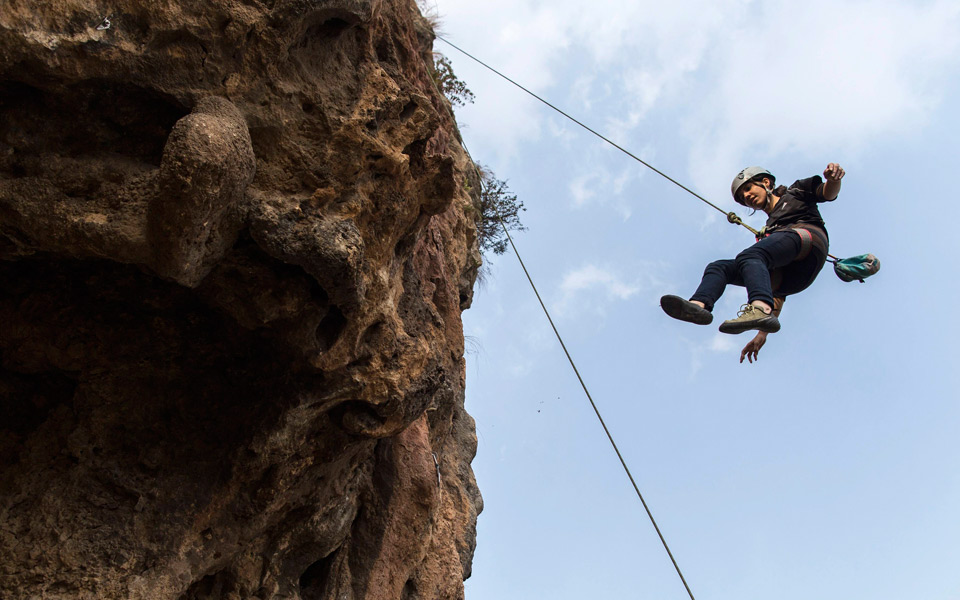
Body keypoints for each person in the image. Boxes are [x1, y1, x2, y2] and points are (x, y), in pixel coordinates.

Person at [660, 163, 845, 363]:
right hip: (792, 278)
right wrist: (762, 334)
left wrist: (833, 180)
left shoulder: (795, 192)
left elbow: (826, 193)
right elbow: (776, 294)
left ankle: (758, 307)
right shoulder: (769, 231)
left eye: (748, 189)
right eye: (742, 197)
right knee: (719, 267)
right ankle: (698, 306)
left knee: (750, 256)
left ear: (766, 182)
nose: (747, 196)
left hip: (808, 241)